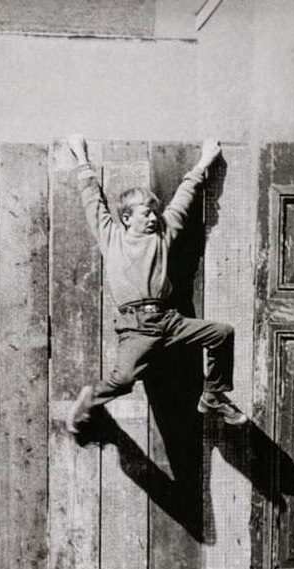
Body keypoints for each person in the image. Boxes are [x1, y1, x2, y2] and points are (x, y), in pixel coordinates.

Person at [66, 136, 247, 435]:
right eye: (145, 213)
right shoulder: (111, 237)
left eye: (154, 212)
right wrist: (80, 156)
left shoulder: (163, 234)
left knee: (222, 333)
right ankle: (90, 401)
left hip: (170, 320)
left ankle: (213, 395)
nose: (153, 217)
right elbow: (91, 198)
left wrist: (205, 160)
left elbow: (184, 196)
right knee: (123, 380)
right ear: (126, 217)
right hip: (138, 326)